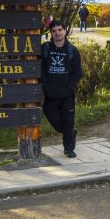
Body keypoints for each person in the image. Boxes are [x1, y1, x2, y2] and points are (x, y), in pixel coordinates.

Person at [41, 21, 83, 158]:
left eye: (60, 29)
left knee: (68, 122)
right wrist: (46, 87)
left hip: (67, 95)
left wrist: (68, 87)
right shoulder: (45, 49)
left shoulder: (72, 51)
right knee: (56, 123)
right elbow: (40, 70)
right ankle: (70, 132)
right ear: (50, 33)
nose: (57, 33)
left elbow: (78, 73)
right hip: (50, 95)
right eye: (54, 31)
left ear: (65, 31)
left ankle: (68, 149)